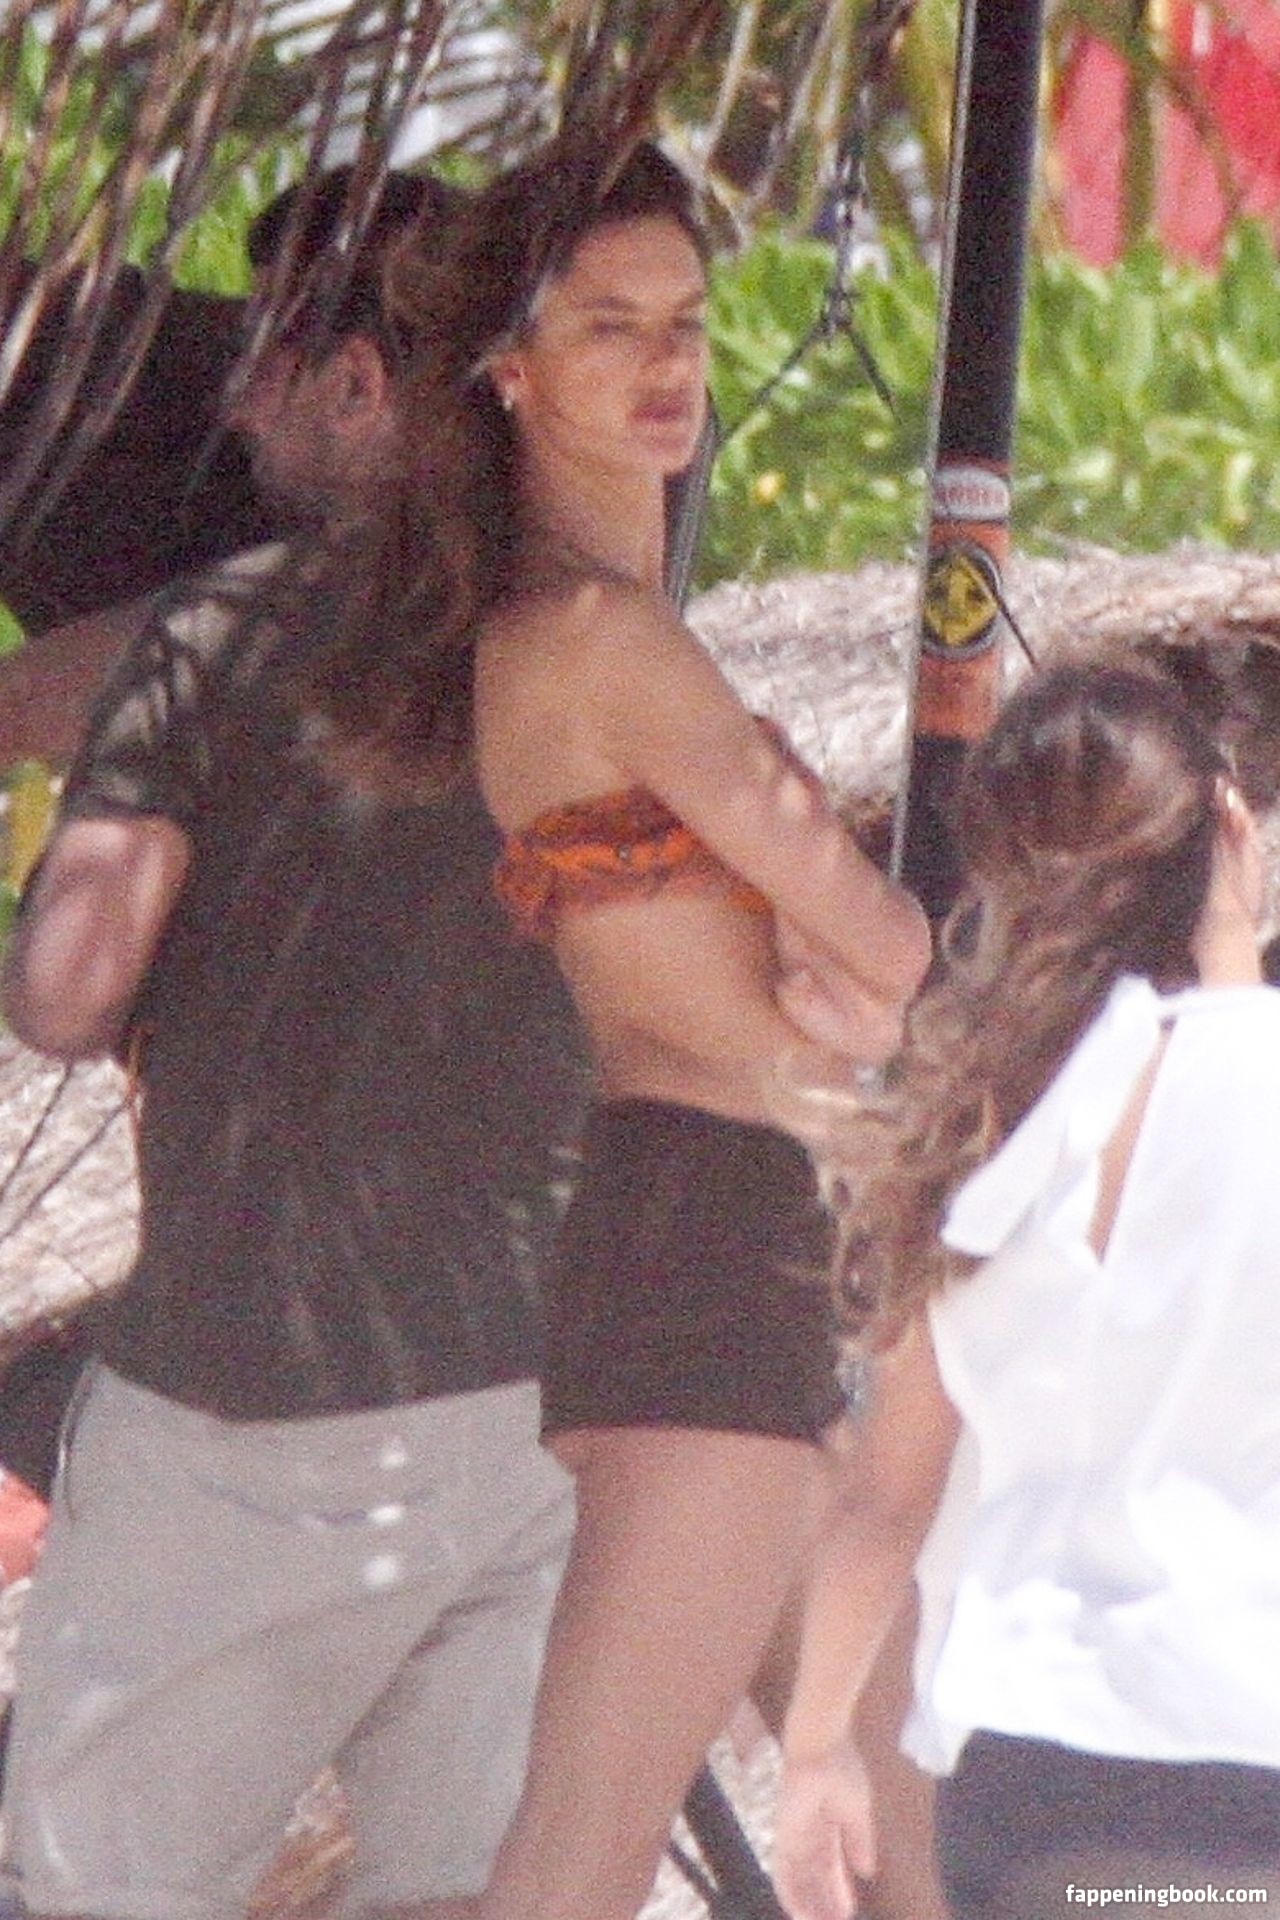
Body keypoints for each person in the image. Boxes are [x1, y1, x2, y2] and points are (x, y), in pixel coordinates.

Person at [287, 139, 925, 1920]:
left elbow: (836, 968)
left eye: (690, 322)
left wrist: (848, 979)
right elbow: (880, 941)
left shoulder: (588, 632)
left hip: (736, 1243)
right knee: (581, 1858)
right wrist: (864, 973)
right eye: (611, 324)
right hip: (709, 1243)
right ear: (512, 368)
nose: (668, 364)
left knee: (900, 1840)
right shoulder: (591, 639)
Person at [0, 165, 593, 1920]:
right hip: (541, 1407)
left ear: (355, 383)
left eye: (263, 363)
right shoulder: (610, 643)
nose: (235, 408)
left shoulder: (221, 637)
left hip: (254, 1403)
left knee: (97, 1891)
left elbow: (66, 990)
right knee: (468, 1895)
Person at [772, 661, 1280, 1920]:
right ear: (1226, 827)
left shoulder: (976, 1138)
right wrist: (1228, 944)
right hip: (1244, 1755)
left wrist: (815, 1750)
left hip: (1026, 1779)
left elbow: (883, 1504)